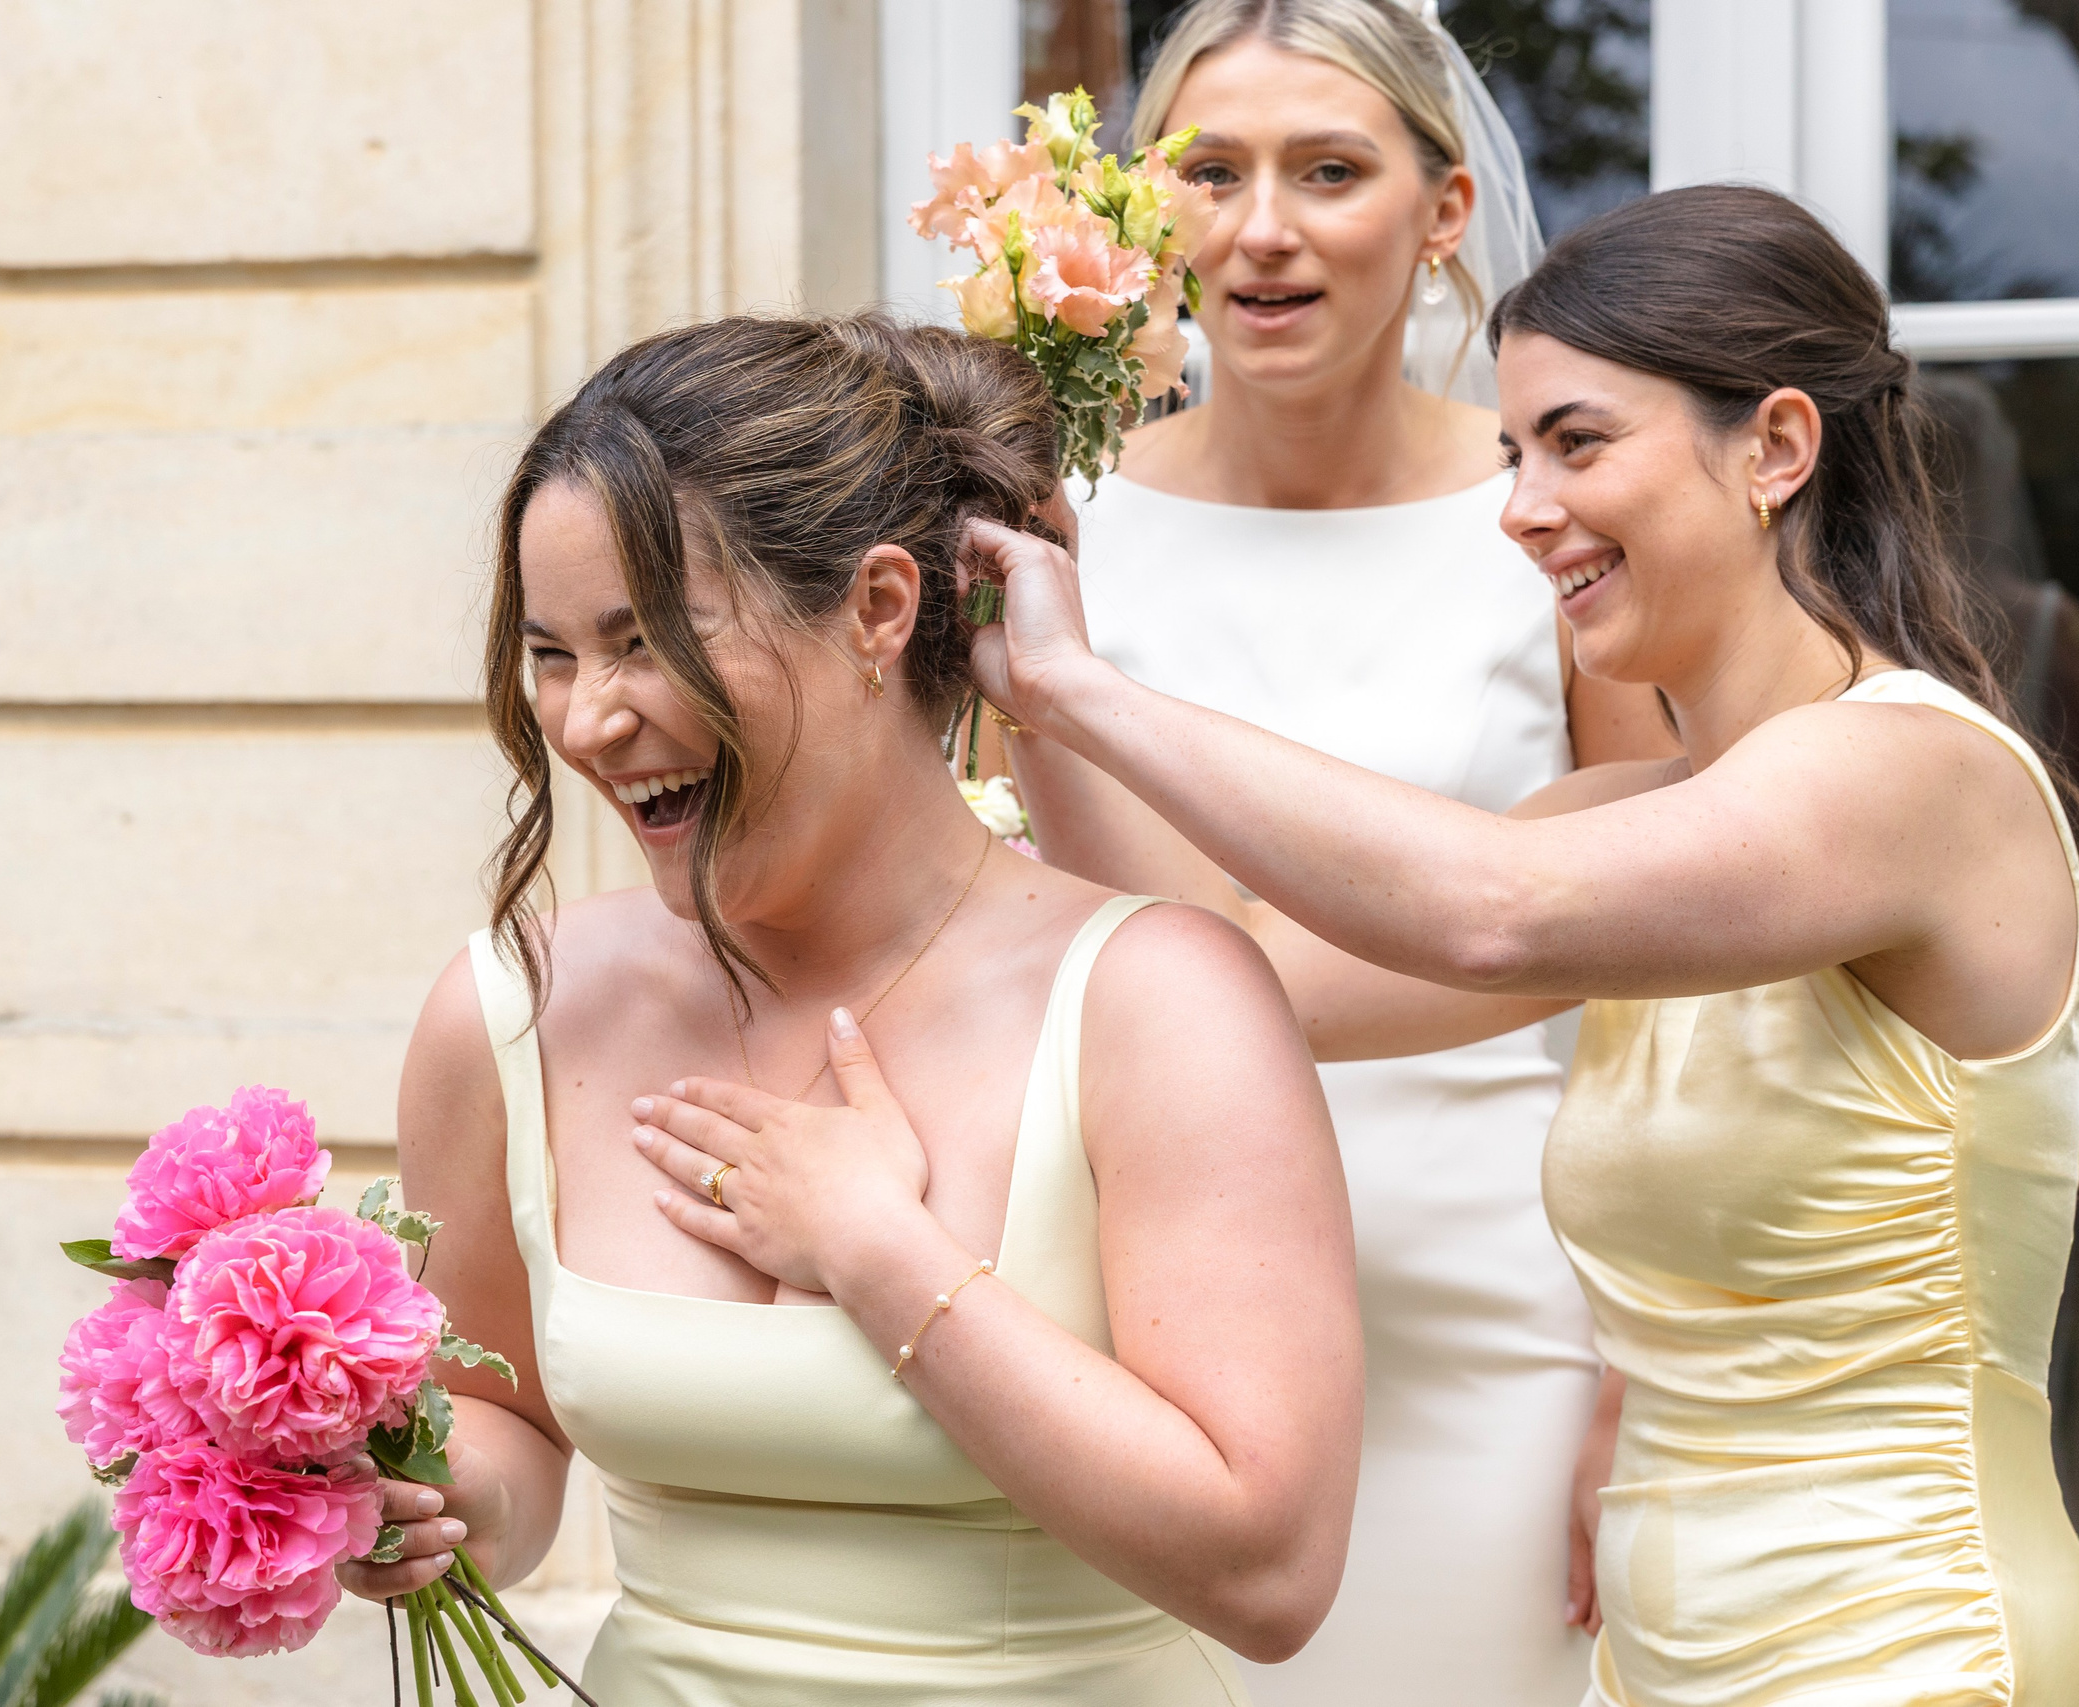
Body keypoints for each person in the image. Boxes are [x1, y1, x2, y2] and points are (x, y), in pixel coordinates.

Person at [967, 183, 2079, 1705]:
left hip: (1916, 1653)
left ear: (1777, 449)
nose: (1519, 507)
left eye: (1578, 444)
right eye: (1514, 452)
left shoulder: (1908, 772)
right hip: (1665, 1667)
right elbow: (1244, 968)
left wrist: (1101, 694)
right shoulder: (1629, 808)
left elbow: (1482, 907)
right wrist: (1029, 696)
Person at [333, 312, 1362, 1705]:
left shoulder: (1156, 1000)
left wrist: (881, 1256)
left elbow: (1271, 1573)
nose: (588, 723)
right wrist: (423, 1498)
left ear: (879, 609)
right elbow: (510, 1419)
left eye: (645, 640)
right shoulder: (510, 1012)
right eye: (554, 655)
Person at [1015, 5, 1674, 1701]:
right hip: (1123, 1330)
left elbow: (1677, 986)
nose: (1262, 229)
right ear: (1145, 213)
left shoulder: (1553, 528)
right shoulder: (1049, 539)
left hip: (1496, 1319)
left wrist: (1647, 1368)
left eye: (1329, 171)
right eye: (1210, 173)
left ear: (1445, 212)